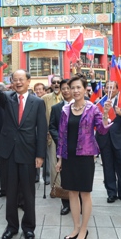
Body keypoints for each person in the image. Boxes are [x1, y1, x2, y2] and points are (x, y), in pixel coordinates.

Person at [0, 53, 47, 239]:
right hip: (8, 153)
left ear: (28, 81)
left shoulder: (38, 102)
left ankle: (29, 227)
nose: (18, 82)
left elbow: (41, 130)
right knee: (10, 192)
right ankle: (11, 227)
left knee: (28, 193)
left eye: (21, 79)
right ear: (11, 82)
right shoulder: (7, 98)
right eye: (15, 79)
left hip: (28, 153)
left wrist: (40, 155)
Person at [56, 75, 112, 239]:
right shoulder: (66, 109)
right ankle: (75, 227)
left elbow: (101, 130)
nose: (75, 91)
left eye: (78, 87)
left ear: (85, 88)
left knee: (85, 194)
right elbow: (61, 136)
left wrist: (106, 114)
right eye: (72, 87)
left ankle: (84, 229)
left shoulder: (93, 108)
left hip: (85, 156)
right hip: (68, 157)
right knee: (72, 193)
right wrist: (59, 159)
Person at [98, 81, 121, 204]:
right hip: (104, 139)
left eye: (112, 87)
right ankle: (111, 193)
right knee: (108, 167)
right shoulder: (100, 102)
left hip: (119, 139)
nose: (109, 89)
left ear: (117, 89)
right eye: (107, 87)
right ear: (105, 89)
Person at [49, 79, 73, 215]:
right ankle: (66, 204)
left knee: (77, 176)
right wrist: (60, 140)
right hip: (62, 148)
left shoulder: (82, 106)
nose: (65, 91)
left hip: (78, 148)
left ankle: (79, 202)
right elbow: (52, 127)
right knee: (64, 176)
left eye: (68, 88)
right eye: (63, 88)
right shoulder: (56, 108)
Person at [40, 76, 63, 185]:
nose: (56, 84)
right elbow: (42, 117)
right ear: (51, 84)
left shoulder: (68, 96)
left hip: (68, 135)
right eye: (54, 82)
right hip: (52, 134)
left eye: (59, 82)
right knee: (53, 162)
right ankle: (56, 187)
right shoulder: (45, 98)